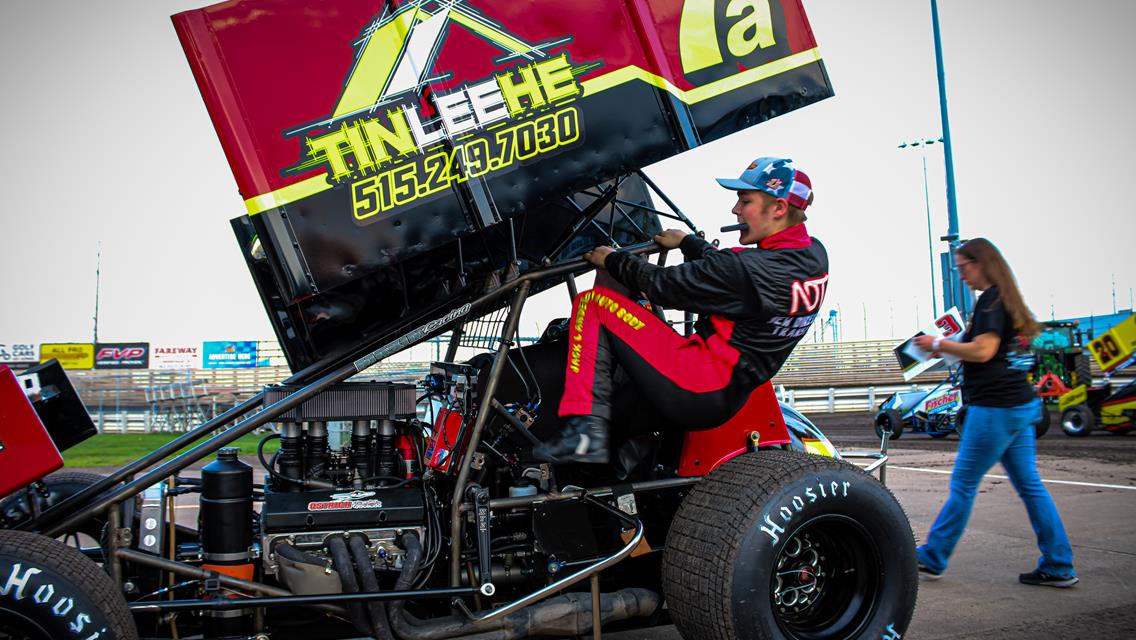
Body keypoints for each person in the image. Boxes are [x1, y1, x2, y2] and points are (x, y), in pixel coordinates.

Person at [532, 157, 829, 463]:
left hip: (697, 380)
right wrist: (689, 243)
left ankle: (585, 430)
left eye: (745, 200)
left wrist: (612, 259)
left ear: (779, 209)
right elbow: (734, 274)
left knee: (594, 304)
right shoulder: (814, 257)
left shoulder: (746, 270)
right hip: (728, 394)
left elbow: (663, 286)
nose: (736, 210)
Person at [913, 238, 1078, 588]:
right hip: (1020, 406)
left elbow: (985, 351)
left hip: (994, 410)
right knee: (1031, 487)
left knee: (963, 485)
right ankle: (1059, 563)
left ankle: (932, 556)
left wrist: (938, 344)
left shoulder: (990, 300)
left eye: (964, 268)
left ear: (982, 263)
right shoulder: (1009, 299)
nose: (962, 276)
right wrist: (951, 350)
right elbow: (993, 351)